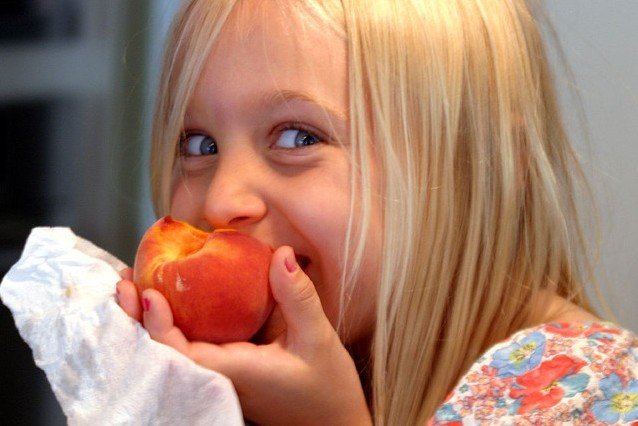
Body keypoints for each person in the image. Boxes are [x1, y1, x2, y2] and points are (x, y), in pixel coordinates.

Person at [115, 0, 638, 424]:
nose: (220, 201)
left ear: (484, 161)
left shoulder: (586, 392)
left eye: (299, 137)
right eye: (200, 144)